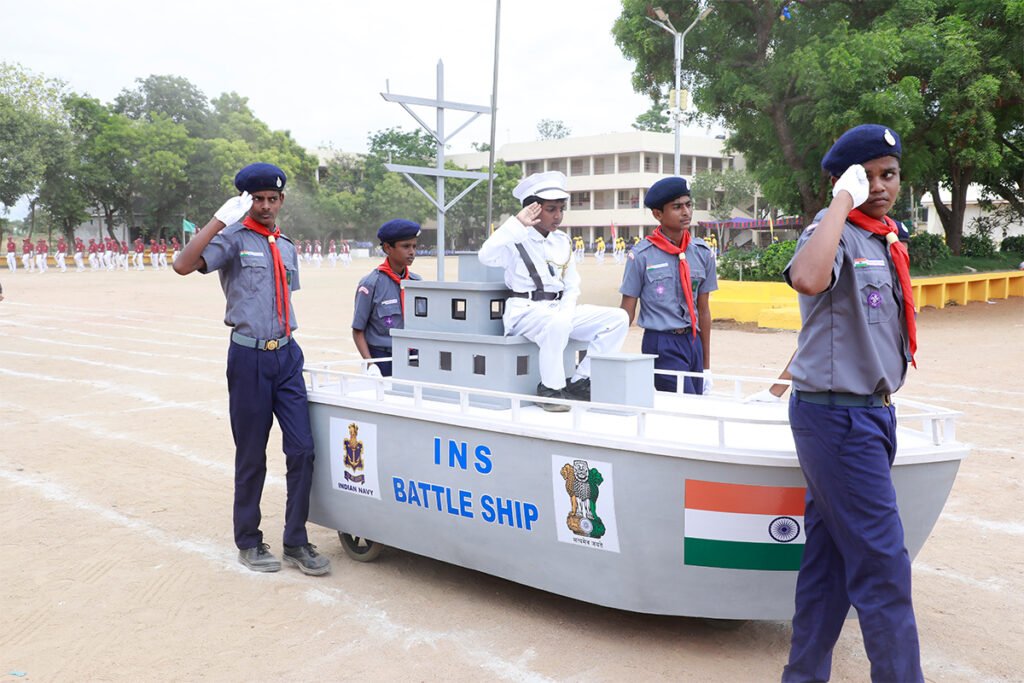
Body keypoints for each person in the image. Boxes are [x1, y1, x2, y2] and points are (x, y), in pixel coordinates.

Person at [781, 124, 922, 682]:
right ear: (847, 179)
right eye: (869, 175)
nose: (881, 185)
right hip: (838, 418)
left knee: (830, 562)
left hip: (871, 412)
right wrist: (843, 196)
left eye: (889, 174)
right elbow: (809, 279)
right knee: (884, 566)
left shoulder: (884, 240)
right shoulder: (834, 230)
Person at [172, 162, 329, 577]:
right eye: (256, 199)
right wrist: (222, 218)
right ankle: (249, 540)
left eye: (271, 199)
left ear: (281, 200)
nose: (264, 205)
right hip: (249, 360)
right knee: (251, 455)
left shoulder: (286, 245)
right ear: (246, 201)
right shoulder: (231, 240)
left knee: (302, 450)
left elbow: (282, 298)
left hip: (288, 356)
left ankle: (295, 539)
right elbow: (182, 265)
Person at [478, 171, 629, 411]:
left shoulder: (562, 241)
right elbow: (485, 255)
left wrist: (566, 312)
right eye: (551, 209)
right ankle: (550, 388)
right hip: (525, 311)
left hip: (559, 309)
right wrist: (516, 223)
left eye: (561, 208)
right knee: (557, 323)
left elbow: (572, 285)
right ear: (533, 210)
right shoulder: (514, 239)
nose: (558, 216)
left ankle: (582, 380)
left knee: (618, 319)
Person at [619, 177, 717, 395]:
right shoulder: (641, 256)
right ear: (658, 214)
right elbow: (627, 309)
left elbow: (703, 310)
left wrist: (706, 365)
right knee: (684, 408)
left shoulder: (702, 253)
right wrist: (609, 352)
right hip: (661, 343)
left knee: (696, 407)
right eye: (677, 207)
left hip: (693, 341)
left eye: (688, 205)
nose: (686, 212)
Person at [352, 220, 422, 377]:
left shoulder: (417, 284)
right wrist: (370, 364)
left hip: (412, 357)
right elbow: (358, 330)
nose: (412, 252)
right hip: (382, 359)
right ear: (387, 248)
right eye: (406, 246)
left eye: (414, 246)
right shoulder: (371, 284)